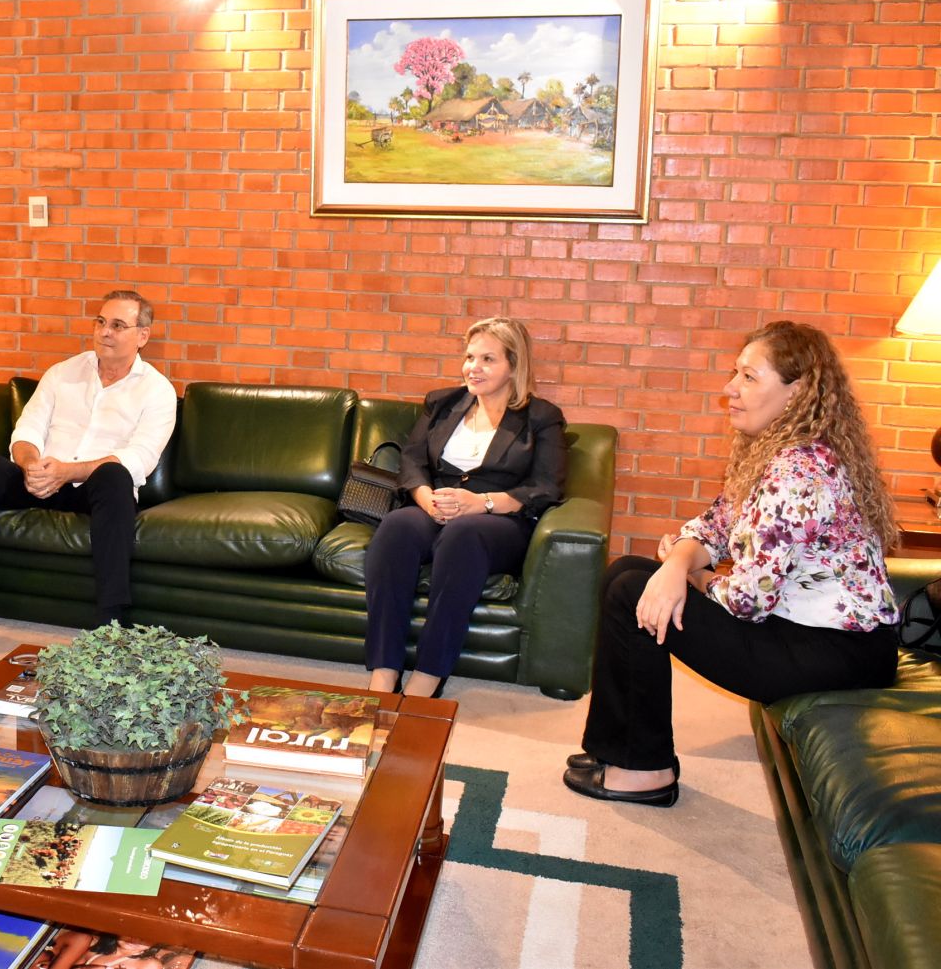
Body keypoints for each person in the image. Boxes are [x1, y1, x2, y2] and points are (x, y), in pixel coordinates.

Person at [565, 321, 900, 808]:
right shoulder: (772, 452)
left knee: (630, 590)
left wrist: (692, 576)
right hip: (803, 633)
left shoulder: (799, 471)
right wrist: (677, 564)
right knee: (627, 574)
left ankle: (645, 770)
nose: (730, 389)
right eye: (735, 373)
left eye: (748, 377)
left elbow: (747, 600)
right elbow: (716, 525)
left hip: (838, 653)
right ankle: (619, 749)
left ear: (796, 391)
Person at [0, 290, 177, 648]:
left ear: (142, 335)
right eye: (100, 322)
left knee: (116, 476)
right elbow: (27, 430)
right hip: (40, 478)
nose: (104, 332)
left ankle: (110, 627)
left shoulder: (157, 391)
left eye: (117, 325)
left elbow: (139, 458)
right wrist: (31, 465)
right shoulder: (63, 373)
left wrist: (68, 471)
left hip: (95, 490)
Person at [364, 317, 566, 698]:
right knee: (396, 528)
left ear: (514, 366)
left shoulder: (541, 417)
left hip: (498, 519)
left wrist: (482, 503)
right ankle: (384, 670)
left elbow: (545, 486)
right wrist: (425, 498)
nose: (473, 367)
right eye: (470, 357)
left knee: (462, 534)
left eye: (488, 359)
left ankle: (429, 674)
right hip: (436, 506)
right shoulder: (442, 403)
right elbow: (412, 460)